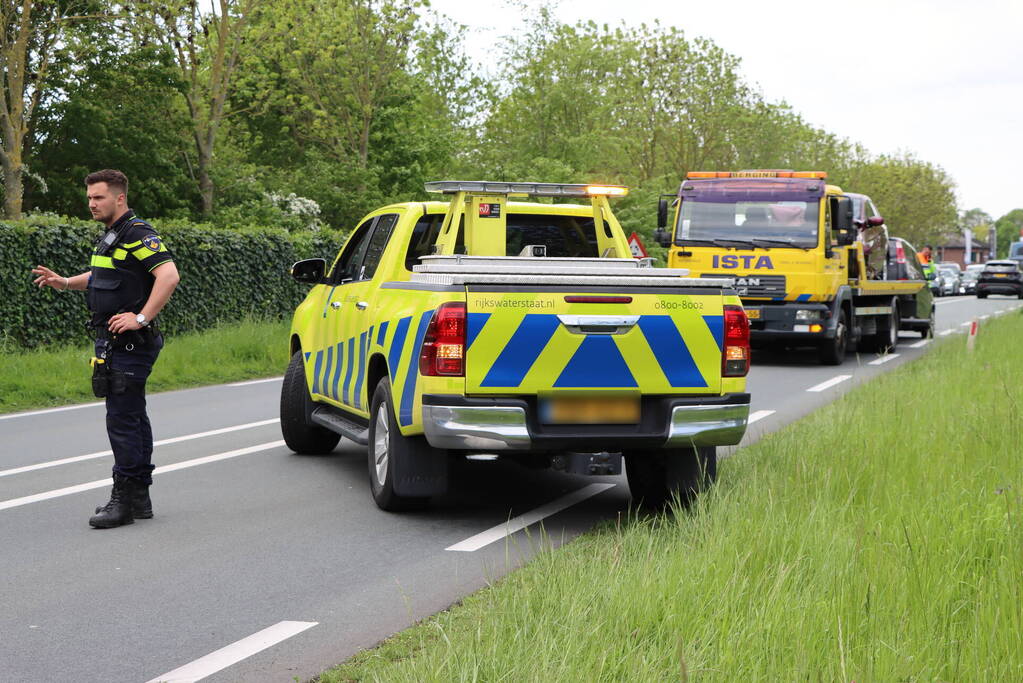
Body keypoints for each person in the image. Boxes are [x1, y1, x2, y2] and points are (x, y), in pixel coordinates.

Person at [31, 170, 180, 529]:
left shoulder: (138, 233)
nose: (92, 204)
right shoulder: (113, 235)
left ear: (119, 198)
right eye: (89, 198)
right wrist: (65, 282)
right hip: (113, 343)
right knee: (132, 417)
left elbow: (169, 275)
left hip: (129, 343)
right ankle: (139, 498)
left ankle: (123, 501)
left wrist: (140, 318)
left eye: (98, 197)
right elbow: (102, 277)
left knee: (122, 421)